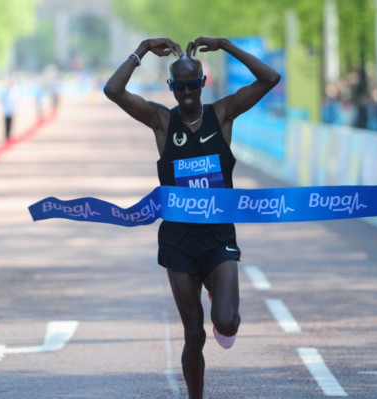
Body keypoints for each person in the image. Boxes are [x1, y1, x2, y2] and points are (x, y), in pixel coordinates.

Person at [104, 37, 280, 399]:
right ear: (171, 87)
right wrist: (141, 50)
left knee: (227, 323)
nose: (186, 92)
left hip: (218, 237)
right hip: (179, 242)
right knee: (194, 333)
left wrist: (227, 46)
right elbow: (113, 90)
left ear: (203, 83)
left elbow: (270, 79)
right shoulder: (161, 122)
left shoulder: (223, 114)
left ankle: (219, 293)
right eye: (179, 86)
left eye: (192, 84)